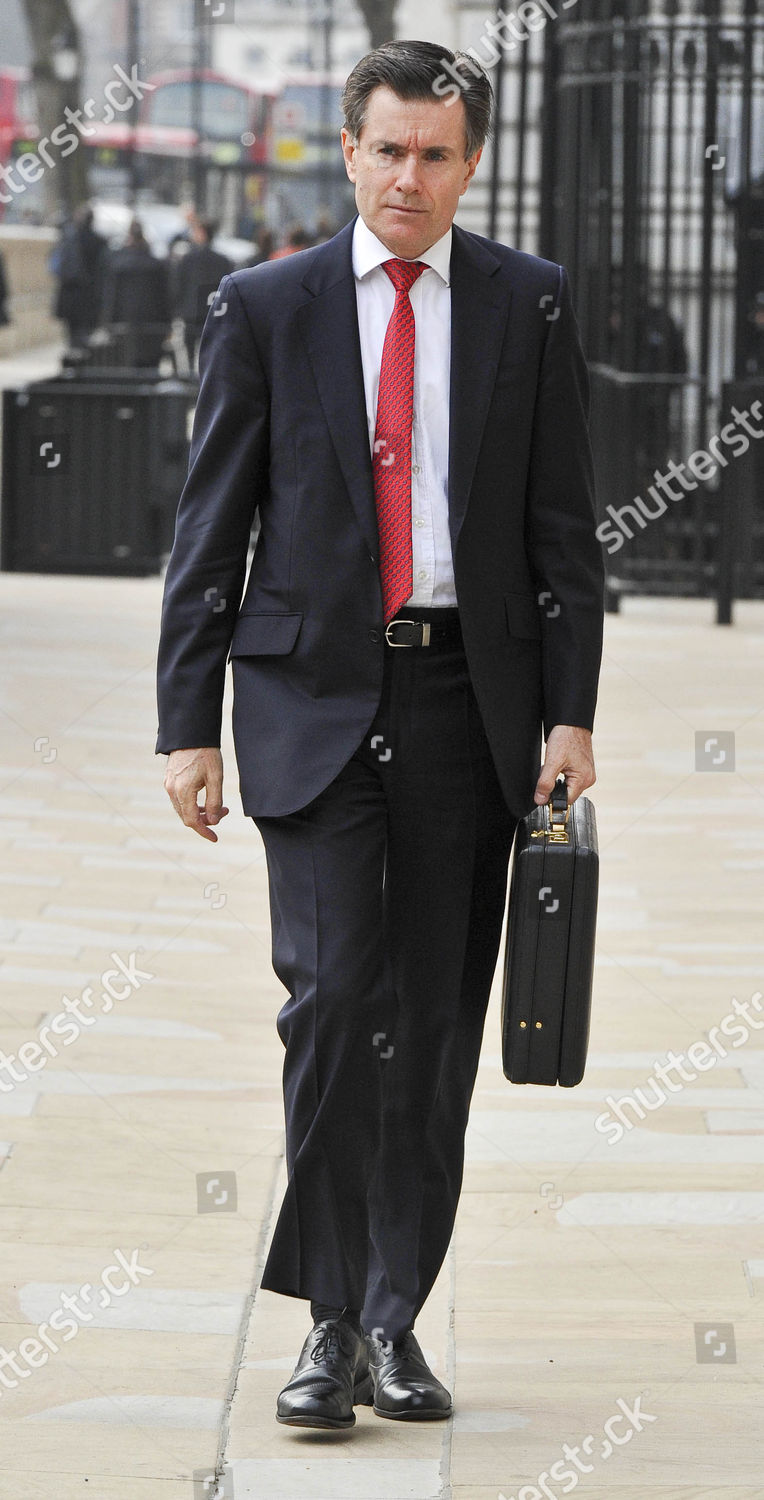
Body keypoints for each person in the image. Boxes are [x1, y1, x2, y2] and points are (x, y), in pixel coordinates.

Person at [156, 39, 604, 1431]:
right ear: (348, 153)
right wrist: (189, 724)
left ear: (472, 163)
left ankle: (396, 1320)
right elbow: (209, 529)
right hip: (313, 705)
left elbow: (562, 532)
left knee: (433, 1024)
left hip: (469, 703)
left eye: (436, 154)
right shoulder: (268, 305)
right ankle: (331, 1319)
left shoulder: (528, 305)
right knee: (336, 1004)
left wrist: (572, 709)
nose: (408, 177)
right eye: (386, 149)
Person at [101, 219, 172, 369]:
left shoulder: (118, 265)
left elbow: (111, 296)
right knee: (151, 367)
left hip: (124, 323)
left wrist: (107, 322)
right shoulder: (156, 265)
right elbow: (165, 297)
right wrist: (167, 324)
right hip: (152, 324)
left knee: (126, 366)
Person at [172, 217, 233, 371]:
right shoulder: (223, 260)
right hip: (214, 310)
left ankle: (191, 379)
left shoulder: (187, 259)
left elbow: (179, 286)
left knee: (190, 350)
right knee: (211, 353)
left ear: (202, 234)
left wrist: (178, 310)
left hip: (191, 311)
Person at [52, 204, 107, 348]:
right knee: (87, 334)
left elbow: (57, 266)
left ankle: (74, 359)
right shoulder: (100, 242)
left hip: (70, 293)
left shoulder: (69, 239)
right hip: (91, 295)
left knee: (72, 334)